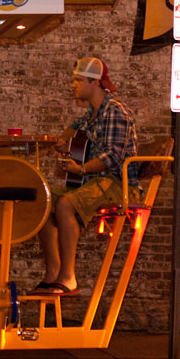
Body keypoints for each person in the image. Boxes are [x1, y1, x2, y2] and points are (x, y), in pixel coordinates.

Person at [32, 56, 136, 296]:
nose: (73, 85)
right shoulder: (93, 113)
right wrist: (64, 140)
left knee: (66, 203)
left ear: (95, 82)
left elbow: (112, 157)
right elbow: (75, 126)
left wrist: (80, 169)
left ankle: (68, 277)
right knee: (44, 201)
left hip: (118, 184)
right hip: (95, 182)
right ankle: (53, 274)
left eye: (78, 80)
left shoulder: (115, 112)